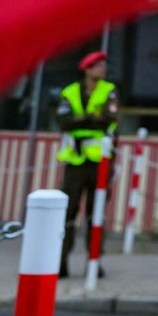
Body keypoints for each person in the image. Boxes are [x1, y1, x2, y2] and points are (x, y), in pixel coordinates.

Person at [55, 49, 118, 280]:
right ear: (87, 70)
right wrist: (92, 117)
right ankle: (61, 261)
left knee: (96, 214)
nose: (103, 70)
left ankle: (95, 261)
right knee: (68, 213)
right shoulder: (70, 93)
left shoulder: (108, 91)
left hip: (100, 163)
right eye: (98, 66)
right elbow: (63, 122)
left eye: (104, 66)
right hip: (76, 161)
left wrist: (81, 120)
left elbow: (110, 119)